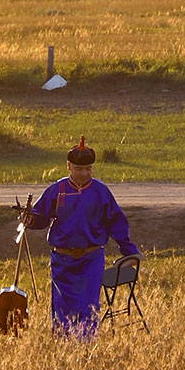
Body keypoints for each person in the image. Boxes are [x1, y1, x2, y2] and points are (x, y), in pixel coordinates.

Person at [24, 137, 140, 337]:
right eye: (79, 169)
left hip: (91, 258)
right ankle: (64, 348)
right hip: (62, 260)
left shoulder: (100, 192)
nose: (84, 173)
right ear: (69, 167)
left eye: (88, 169)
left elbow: (116, 222)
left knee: (88, 305)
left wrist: (130, 251)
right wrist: (29, 219)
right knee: (62, 307)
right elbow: (40, 217)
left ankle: (86, 347)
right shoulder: (57, 190)